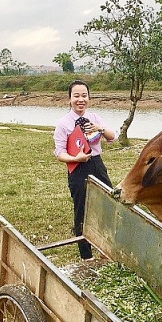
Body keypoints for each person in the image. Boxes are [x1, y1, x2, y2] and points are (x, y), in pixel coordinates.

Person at [53, 80, 115, 260]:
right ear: (69, 99)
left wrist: (100, 129)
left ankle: (107, 250)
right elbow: (59, 153)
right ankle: (86, 256)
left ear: (89, 97)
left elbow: (112, 137)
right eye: (76, 96)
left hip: (97, 164)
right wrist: (76, 159)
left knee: (108, 204)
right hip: (77, 168)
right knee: (81, 211)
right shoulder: (63, 123)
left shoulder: (95, 118)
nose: (81, 100)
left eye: (84, 95)